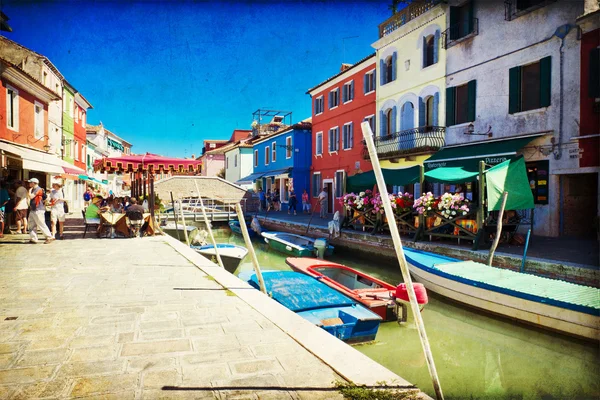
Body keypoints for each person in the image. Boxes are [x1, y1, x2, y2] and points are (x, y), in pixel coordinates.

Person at [27, 178, 54, 244]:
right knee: (31, 224)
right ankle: (33, 238)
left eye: (30, 182)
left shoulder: (39, 189)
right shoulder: (34, 189)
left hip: (38, 209)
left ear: (34, 183)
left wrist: (29, 191)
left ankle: (49, 237)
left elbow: (31, 197)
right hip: (33, 209)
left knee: (41, 223)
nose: (29, 183)